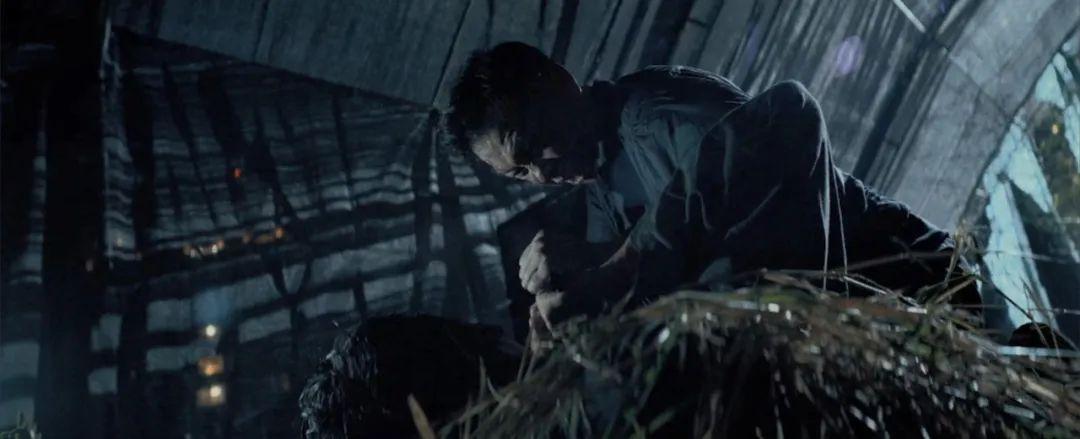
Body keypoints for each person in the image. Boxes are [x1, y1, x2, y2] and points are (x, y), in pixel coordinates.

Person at [443, 42, 982, 339]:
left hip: (915, 292)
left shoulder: (657, 116)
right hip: (873, 330)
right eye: (519, 173)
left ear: (560, 81)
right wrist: (575, 275)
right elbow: (640, 281)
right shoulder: (600, 184)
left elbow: (747, 191)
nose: (541, 174)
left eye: (533, 144)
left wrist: (611, 272)